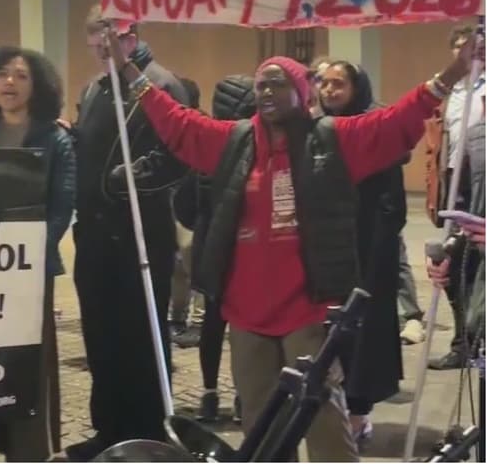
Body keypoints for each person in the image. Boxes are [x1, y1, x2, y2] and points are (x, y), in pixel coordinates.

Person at [104, 26, 479, 462]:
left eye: (277, 84)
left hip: (310, 309)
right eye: (261, 85)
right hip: (246, 312)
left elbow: (396, 122)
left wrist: (454, 70)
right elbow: (176, 123)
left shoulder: (333, 138)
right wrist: (127, 69)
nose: (266, 92)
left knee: (322, 419)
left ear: (303, 93)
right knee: (261, 424)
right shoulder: (234, 141)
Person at [65, 10, 190, 461]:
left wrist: (120, 180)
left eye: (113, 34)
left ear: (132, 36)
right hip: (95, 235)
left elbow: (175, 156)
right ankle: (110, 431)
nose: (104, 43)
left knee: (141, 339)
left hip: (140, 234)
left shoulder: (159, 85)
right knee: (101, 336)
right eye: (95, 35)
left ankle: (149, 434)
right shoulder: (93, 89)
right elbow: (95, 148)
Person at [0, 46, 76, 459]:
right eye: (2, 74)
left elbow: (61, 209)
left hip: (30, 273)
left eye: (21, 75)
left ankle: (33, 451)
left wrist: (27, 256)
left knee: (31, 368)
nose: (9, 82)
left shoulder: (56, 139)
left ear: (38, 86)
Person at [317, 61, 406, 447]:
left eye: (339, 84)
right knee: (329, 331)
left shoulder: (376, 128)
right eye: (324, 83)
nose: (329, 90)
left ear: (358, 88)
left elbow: (393, 204)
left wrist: (378, 249)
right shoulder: (318, 129)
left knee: (363, 334)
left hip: (368, 249)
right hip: (329, 248)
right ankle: (333, 407)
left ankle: (358, 414)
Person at [174, 74, 257, 425]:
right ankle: (243, 395)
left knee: (212, 320)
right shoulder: (258, 146)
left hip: (210, 246)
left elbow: (184, 206)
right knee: (244, 326)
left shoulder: (207, 146)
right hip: (248, 245)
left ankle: (209, 394)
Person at [424, 25, 485, 370]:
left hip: (482, 182)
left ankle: (478, 339)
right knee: (449, 263)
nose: (474, 50)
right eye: (464, 46)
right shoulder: (450, 91)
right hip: (455, 183)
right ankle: (463, 342)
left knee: (478, 264)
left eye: (479, 45)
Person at [170, 78, 205, 349]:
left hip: (195, 204)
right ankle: (177, 317)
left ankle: (200, 322)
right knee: (176, 267)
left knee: (197, 265)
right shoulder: (168, 124)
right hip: (172, 201)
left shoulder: (201, 125)